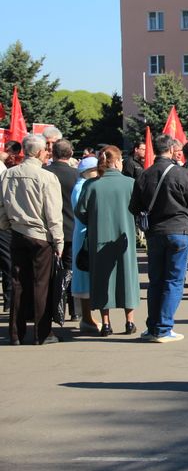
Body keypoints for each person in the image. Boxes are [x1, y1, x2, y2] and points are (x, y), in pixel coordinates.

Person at [129, 134, 188, 343]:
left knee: (156, 280)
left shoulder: (145, 174)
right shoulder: (180, 173)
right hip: (179, 230)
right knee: (174, 280)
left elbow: (134, 207)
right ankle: (163, 328)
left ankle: (153, 326)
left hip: (154, 232)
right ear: (171, 150)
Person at [0, 134, 64, 345]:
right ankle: (42, 333)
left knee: (18, 283)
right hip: (40, 236)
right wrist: (58, 241)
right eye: (45, 150)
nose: (47, 153)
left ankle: (16, 334)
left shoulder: (8, 174)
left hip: (17, 233)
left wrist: (6, 224)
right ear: (38, 152)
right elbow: (53, 214)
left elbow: (1, 205)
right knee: (41, 284)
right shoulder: (46, 177)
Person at [75, 146, 140, 336]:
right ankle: (129, 322)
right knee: (127, 276)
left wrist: (94, 221)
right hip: (124, 237)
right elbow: (139, 210)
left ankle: (106, 323)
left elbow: (80, 212)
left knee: (102, 278)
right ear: (117, 161)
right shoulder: (130, 183)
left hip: (99, 237)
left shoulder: (91, 185)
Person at [45, 139, 80, 320]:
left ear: (53, 153)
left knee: (49, 272)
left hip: (48, 230)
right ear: (71, 153)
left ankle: (52, 308)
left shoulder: (44, 172)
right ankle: (74, 310)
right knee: (71, 270)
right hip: (72, 229)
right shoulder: (77, 175)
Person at [71, 156, 101, 333]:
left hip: (83, 235)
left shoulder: (82, 185)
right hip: (84, 236)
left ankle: (88, 317)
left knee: (85, 277)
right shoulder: (82, 187)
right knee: (83, 278)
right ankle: (87, 318)